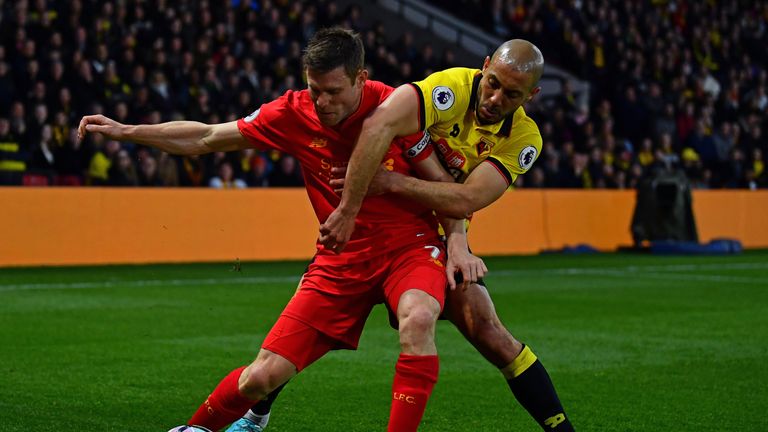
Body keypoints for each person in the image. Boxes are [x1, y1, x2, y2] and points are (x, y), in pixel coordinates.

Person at [78, 28, 484, 432]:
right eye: (314, 89)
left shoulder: (398, 107)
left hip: (409, 249)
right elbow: (205, 136)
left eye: (333, 91)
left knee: (417, 319)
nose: (322, 102)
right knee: (260, 377)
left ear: (361, 78)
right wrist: (127, 131)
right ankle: (195, 428)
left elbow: (447, 188)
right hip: (341, 260)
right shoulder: (293, 113)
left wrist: (458, 242)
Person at [319, 39, 575, 431]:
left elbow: (468, 197)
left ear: (532, 95)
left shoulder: (525, 139)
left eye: (512, 95)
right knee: (309, 328)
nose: (493, 99)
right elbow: (383, 123)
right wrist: (352, 206)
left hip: (430, 235)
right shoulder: (451, 88)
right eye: (492, 83)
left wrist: (397, 188)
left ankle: (562, 428)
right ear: (484, 66)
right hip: (379, 226)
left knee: (490, 333)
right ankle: (255, 411)